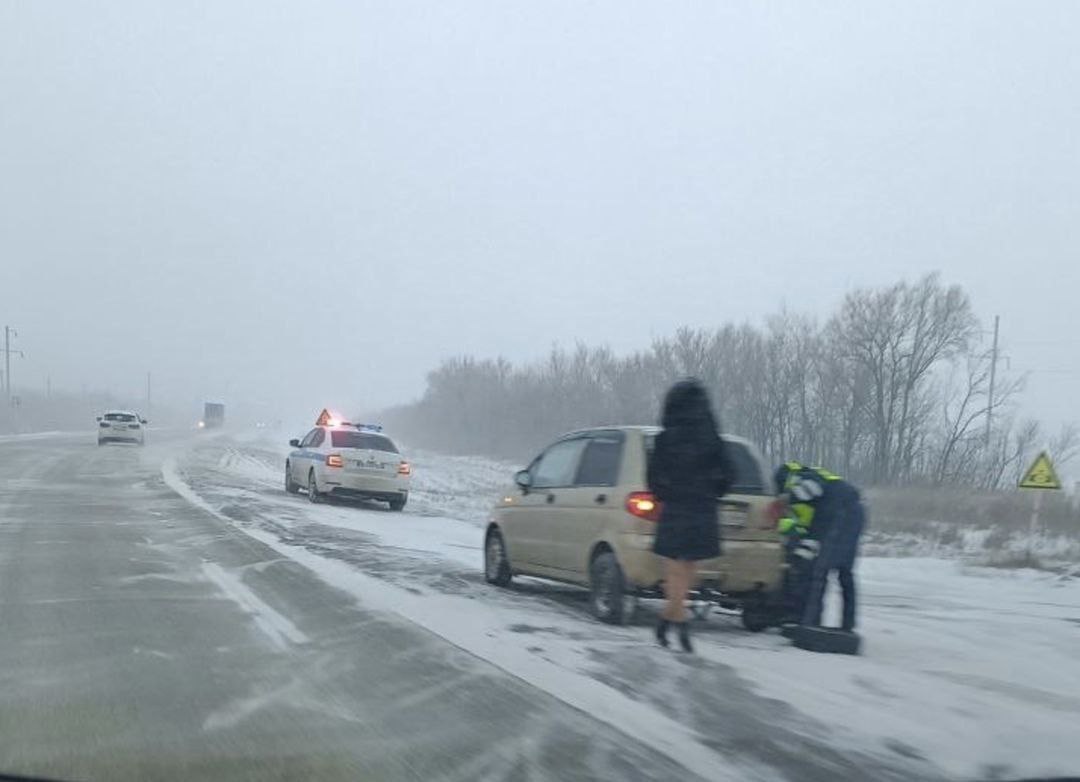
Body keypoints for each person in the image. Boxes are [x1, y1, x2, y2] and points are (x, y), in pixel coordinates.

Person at [647, 379, 734, 652]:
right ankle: (674, 621)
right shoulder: (712, 438)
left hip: (676, 506)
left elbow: (653, 477)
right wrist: (713, 490)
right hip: (702, 507)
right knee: (689, 568)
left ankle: (673, 619)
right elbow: (730, 473)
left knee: (674, 568)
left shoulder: (666, 438)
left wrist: (665, 492)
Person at [773, 462, 866, 633]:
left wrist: (785, 500)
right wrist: (798, 557)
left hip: (841, 512)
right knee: (844, 571)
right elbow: (810, 535)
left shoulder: (804, 476)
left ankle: (809, 625)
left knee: (820, 571)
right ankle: (847, 624)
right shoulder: (814, 504)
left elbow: (808, 490)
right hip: (851, 513)